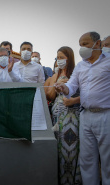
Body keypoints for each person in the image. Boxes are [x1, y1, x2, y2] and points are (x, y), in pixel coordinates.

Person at [55, 31, 110, 185]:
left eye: (85, 44)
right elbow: (72, 85)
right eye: (80, 45)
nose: (82, 48)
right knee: (87, 159)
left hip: (106, 115)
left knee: (107, 160)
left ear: (97, 44)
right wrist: (64, 88)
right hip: (86, 116)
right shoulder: (80, 66)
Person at [44, 46, 81, 184]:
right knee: (57, 151)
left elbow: (83, 94)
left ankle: (71, 180)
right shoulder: (55, 75)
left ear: (69, 58)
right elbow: (51, 96)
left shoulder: (76, 73)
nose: (59, 60)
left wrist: (67, 85)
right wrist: (56, 83)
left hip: (72, 117)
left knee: (70, 151)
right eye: (57, 58)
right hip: (57, 118)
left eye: (62, 57)